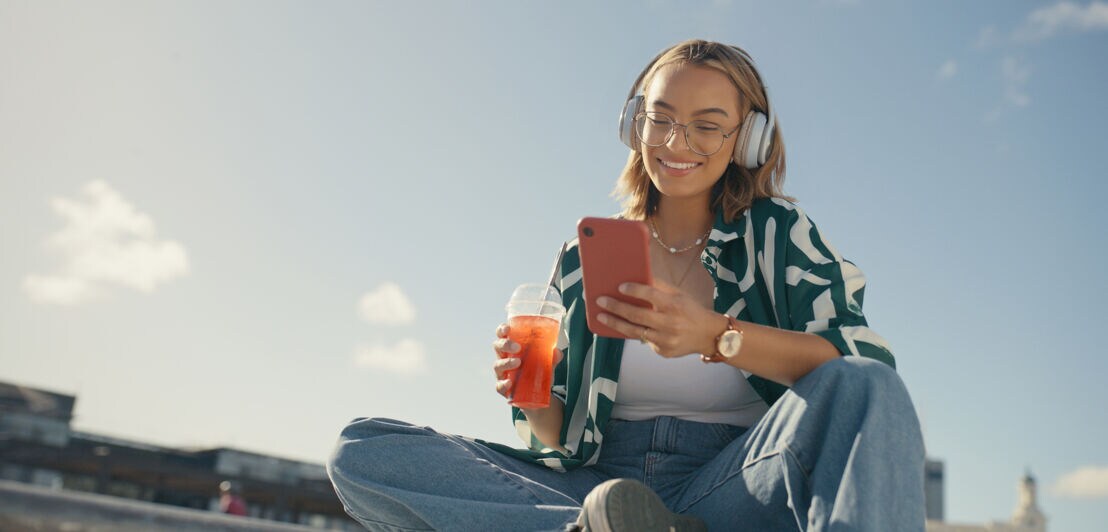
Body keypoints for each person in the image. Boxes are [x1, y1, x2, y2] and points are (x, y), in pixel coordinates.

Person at [327, 39, 925, 531]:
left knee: (867, 386)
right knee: (364, 450)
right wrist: (531, 395)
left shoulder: (779, 235)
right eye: (660, 120)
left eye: (707, 127)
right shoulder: (584, 258)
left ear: (747, 141)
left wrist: (714, 335)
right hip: (596, 485)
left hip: (732, 482)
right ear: (634, 123)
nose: (675, 143)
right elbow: (557, 440)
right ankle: (600, 528)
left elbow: (856, 365)